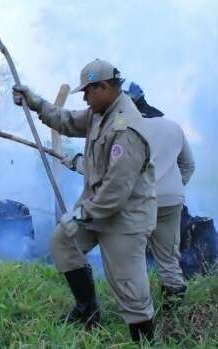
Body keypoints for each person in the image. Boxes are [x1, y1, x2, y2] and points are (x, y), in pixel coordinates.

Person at [12, 59, 157, 342]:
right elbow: (66, 121)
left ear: (103, 87)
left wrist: (79, 215)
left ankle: (144, 340)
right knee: (63, 241)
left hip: (124, 217)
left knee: (128, 286)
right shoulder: (98, 112)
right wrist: (35, 102)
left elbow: (116, 192)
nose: (85, 98)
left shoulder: (126, 126)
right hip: (96, 208)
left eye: (87, 92)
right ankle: (87, 310)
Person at [63, 82, 195, 310]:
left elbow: (106, 170)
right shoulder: (173, 126)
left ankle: (133, 311)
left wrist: (74, 162)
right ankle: (174, 313)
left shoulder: (121, 127)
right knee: (168, 258)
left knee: (130, 262)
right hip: (171, 201)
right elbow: (188, 166)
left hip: (135, 202)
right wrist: (172, 188)